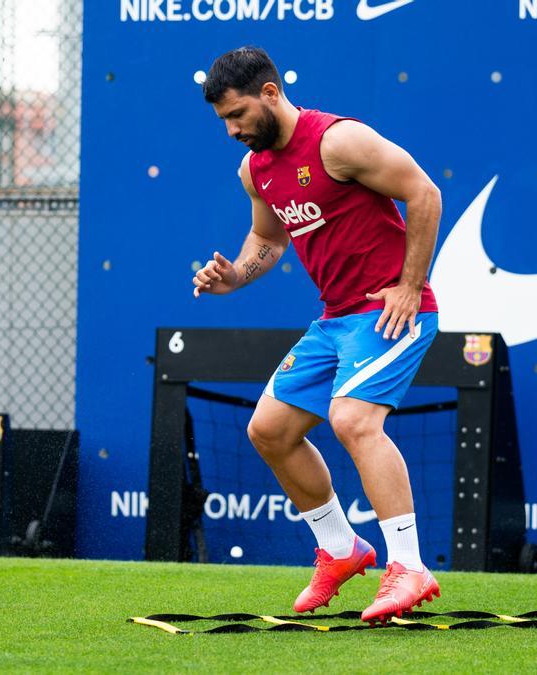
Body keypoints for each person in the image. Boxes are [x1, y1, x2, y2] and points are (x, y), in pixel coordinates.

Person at [193, 46, 442, 624]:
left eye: (238, 115)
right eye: (224, 121)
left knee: (353, 420)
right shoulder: (254, 168)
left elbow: (424, 193)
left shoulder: (339, 141)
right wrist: (234, 275)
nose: (231, 130)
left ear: (272, 94)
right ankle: (339, 548)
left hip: (391, 313)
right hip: (334, 320)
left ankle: (408, 566)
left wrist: (410, 286)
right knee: (269, 431)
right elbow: (268, 241)